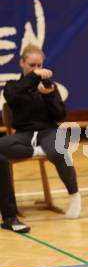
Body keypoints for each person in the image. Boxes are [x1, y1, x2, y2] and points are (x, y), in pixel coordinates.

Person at [0, 44, 81, 233]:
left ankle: (74, 195)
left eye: (39, 65)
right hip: (23, 135)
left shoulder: (50, 86)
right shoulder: (14, 86)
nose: (36, 69)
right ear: (22, 63)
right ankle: (35, 151)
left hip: (48, 132)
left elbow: (60, 116)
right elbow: (12, 97)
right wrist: (33, 78)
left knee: (59, 149)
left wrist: (50, 95)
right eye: (32, 65)